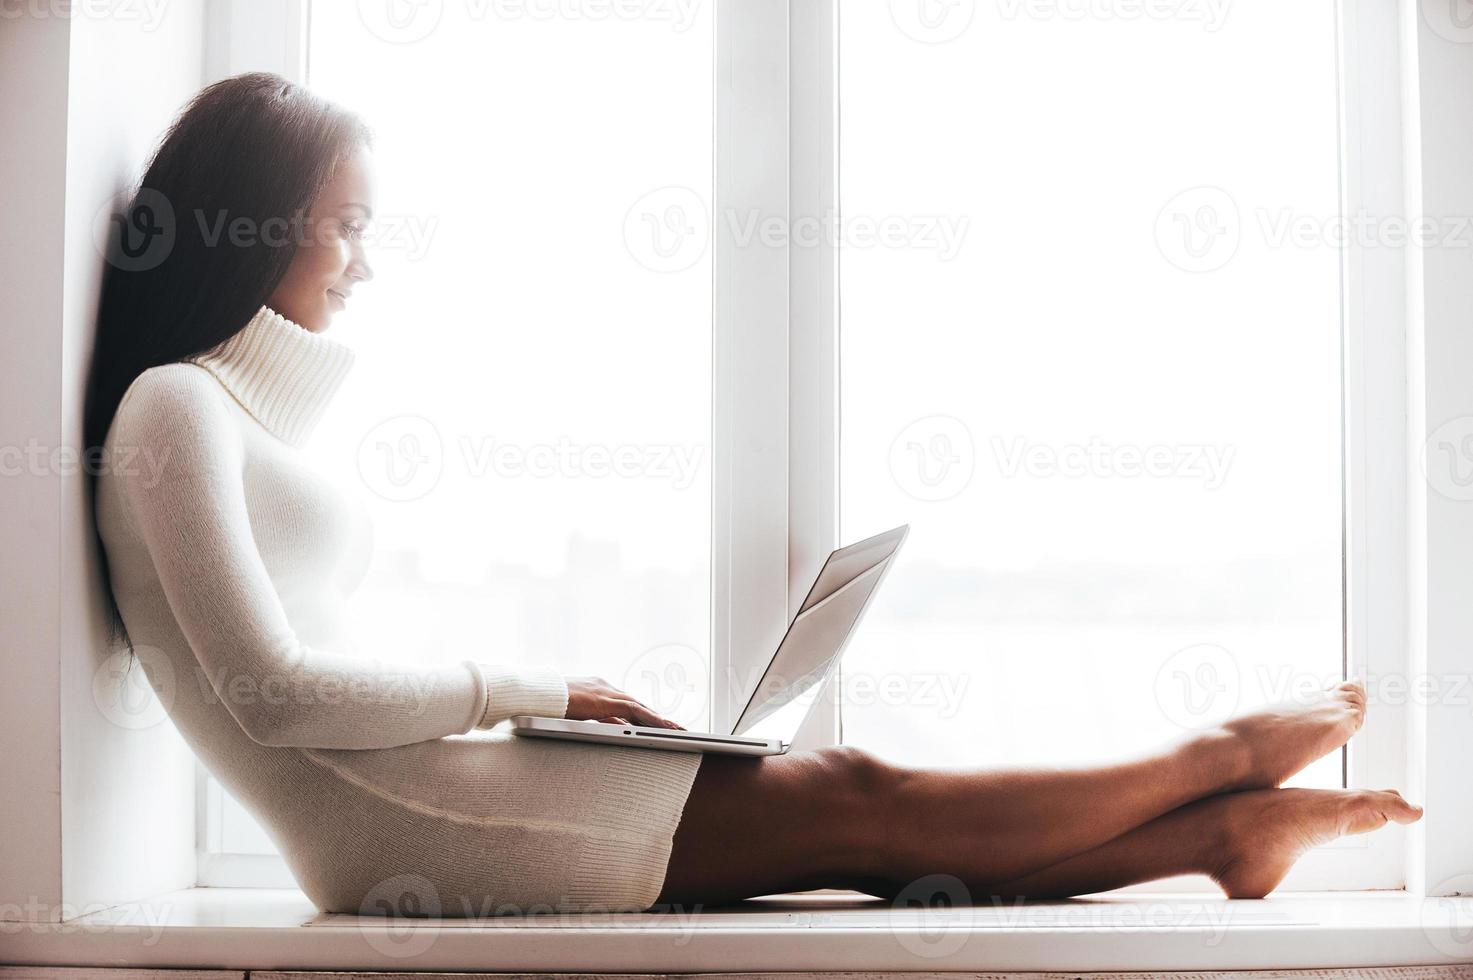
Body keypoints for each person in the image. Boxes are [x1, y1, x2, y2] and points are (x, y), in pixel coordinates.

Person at [87, 72, 1421, 918]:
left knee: (867, 841)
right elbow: (272, 692)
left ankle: (1221, 837)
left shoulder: (225, 414)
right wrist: (541, 691)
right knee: (857, 787)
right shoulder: (173, 408)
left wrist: (543, 710)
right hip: (392, 825)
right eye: (350, 224)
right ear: (256, 220)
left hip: (423, 788)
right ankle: (1214, 764)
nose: (367, 263)